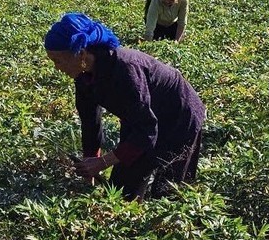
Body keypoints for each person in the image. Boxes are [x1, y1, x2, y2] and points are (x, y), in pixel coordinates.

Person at [44, 13, 206, 200]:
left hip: (179, 117)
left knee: (168, 192)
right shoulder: (83, 76)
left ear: (81, 53)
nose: (56, 67)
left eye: (58, 60)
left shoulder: (125, 70)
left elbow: (146, 131)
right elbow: (90, 122)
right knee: (121, 191)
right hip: (140, 118)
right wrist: (90, 164)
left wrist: (104, 162)